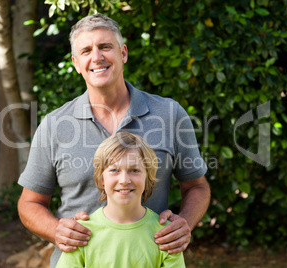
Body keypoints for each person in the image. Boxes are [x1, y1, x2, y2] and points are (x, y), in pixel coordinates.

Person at [17, 13, 210, 267]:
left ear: (123, 54)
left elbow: (197, 186)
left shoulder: (169, 114)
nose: (96, 57)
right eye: (86, 50)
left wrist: (184, 222)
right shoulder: (54, 125)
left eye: (105, 47)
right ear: (76, 63)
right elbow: (29, 203)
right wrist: (56, 231)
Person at [56, 132, 186, 267]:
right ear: (101, 180)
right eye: (114, 170)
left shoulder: (166, 236)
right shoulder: (81, 234)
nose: (124, 180)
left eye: (134, 170)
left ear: (147, 178)